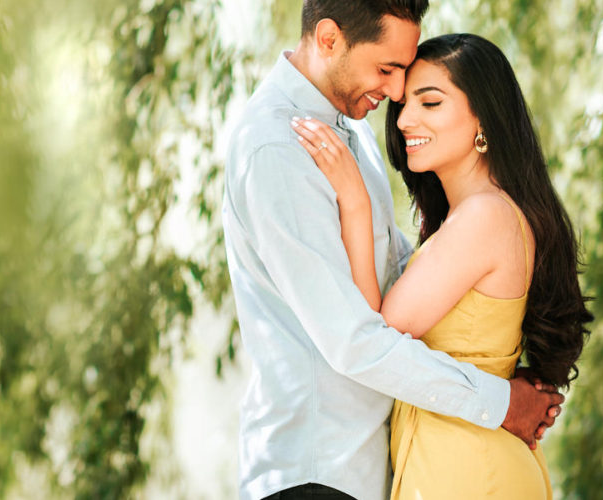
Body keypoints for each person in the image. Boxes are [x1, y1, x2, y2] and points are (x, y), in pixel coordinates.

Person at [222, 1, 567, 499]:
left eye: (405, 75)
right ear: (328, 39)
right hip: (316, 470)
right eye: (387, 69)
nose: (396, 93)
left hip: (379, 472)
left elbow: (405, 281)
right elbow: (355, 339)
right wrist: (500, 400)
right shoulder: (277, 149)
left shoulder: (354, 138)